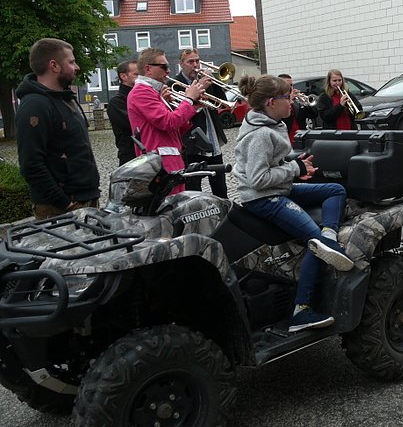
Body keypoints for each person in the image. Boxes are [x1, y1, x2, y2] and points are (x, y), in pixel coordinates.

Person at [233, 74, 354, 332]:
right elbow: (258, 179)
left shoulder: (271, 123)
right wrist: (295, 169)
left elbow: (278, 162)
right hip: (264, 199)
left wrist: (298, 162)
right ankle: (301, 311)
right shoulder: (261, 134)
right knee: (316, 244)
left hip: (279, 189)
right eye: (287, 98)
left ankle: (329, 234)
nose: (292, 102)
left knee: (335, 189)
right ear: (270, 102)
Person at [15, 38, 100, 219]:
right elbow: (31, 165)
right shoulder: (34, 105)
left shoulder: (65, 98)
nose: (76, 67)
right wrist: (66, 204)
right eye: (71, 62)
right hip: (60, 209)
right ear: (54, 65)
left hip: (85, 200)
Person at [127, 48, 210, 194]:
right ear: (148, 69)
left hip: (171, 162)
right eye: (164, 67)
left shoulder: (153, 92)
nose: (168, 71)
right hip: (160, 165)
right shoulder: (141, 92)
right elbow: (168, 122)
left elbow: (175, 129)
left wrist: (195, 106)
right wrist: (189, 99)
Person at [174, 49, 228, 198]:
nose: (195, 65)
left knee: (220, 188)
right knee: (194, 189)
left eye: (197, 60)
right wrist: (199, 89)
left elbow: (223, 104)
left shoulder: (204, 80)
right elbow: (178, 113)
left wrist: (214, 83)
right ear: (181, 64)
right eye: (190, 61)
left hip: (212, 140)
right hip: (193, 144)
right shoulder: (175, 84)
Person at [106, 60, 138, 165]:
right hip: (131, 157)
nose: (141, 78)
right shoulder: (116, 102)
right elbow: (136, 126)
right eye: (136, 74)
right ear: (124, 76)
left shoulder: (143, 96)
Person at [278, 73, 318, 141]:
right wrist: (289, 99)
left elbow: (313, 115)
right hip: (287, 139)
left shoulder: (297, 101)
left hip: (301, 138)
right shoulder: (278, 102)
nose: (290, 88)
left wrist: (306, 104)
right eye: (286, 85)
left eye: (291, 85)